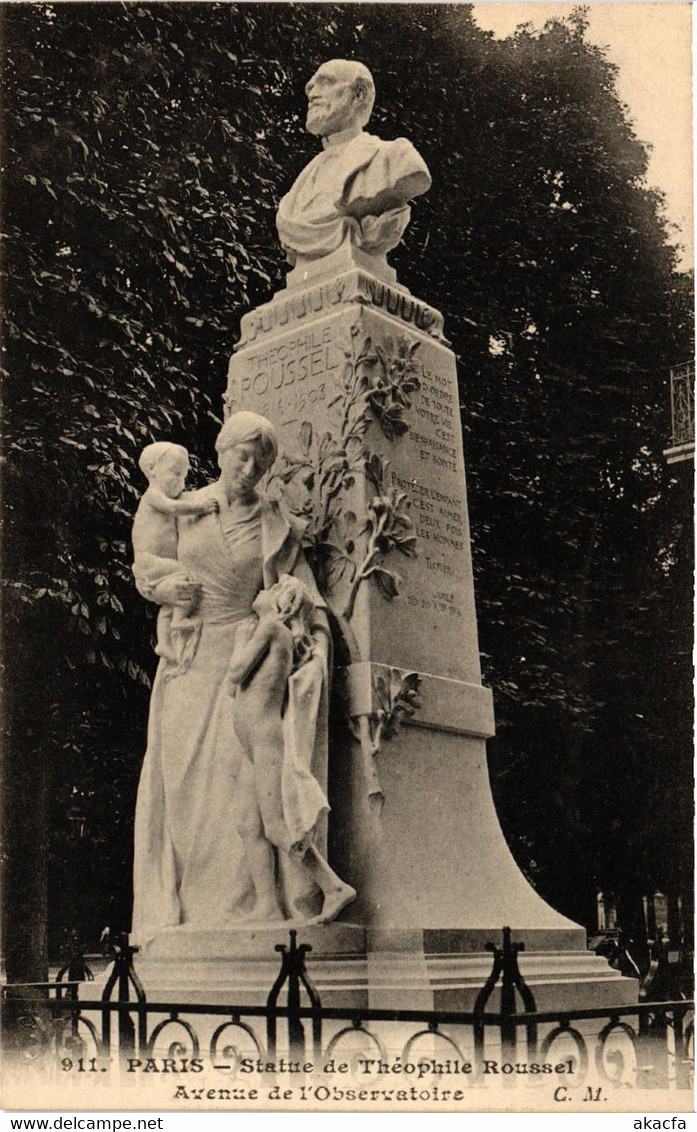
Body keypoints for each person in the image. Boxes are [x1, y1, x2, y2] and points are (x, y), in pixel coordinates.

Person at [131, 412, 345, 941]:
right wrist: (163, 591)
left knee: (241, 791)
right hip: (189, 658)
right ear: (221, 450)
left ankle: (258, 910)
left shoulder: (277, 526)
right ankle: (191, 911)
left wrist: (300, 614)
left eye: (259, 460)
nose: (247, 468)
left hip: (242, 658)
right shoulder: (186, 507)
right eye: (240, 454)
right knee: (184, 789)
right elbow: (146, 562)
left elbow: (304, 594)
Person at [228, 575, 356, 924]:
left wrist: (241, 640)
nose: (261, 591)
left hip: (264, 740)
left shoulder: (272, 629)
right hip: (252, 742)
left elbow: (235, 673)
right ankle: (267, 905)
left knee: (275, 827)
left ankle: (334, 887)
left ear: (281, 603)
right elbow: (235, 691)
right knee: (246, 822)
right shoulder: (269, 632)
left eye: (270, 589)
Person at [276, 59, 431, 265]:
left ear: (359, 94)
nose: (312, 94)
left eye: (326, 82)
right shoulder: (301, 183)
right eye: (311, 87)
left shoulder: (393, 156)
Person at [131, 441, 218, 667]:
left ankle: (165, 642)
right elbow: (173, 509)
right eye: (174, 473)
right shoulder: (154, 496)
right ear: (152, 470)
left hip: (158, 563)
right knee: (184, 574)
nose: (180, 481)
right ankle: (179, 622)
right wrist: (201, 507)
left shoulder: (172, 496)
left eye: (183, 475)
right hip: (149, 562)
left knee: (172, 599)